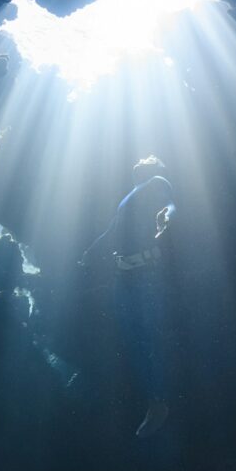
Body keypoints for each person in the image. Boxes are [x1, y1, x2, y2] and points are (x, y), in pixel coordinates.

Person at [80, 155, 176, 437]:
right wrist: (90, 252)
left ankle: (160, 400)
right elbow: (112, 231)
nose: (137, 164)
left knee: (148, 335)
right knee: (133, 337)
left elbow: (170, 204)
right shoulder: (128, 198)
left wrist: (167, 218)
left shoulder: (157, 181)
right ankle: (153, 400)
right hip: (124, 276)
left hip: (144, 273)